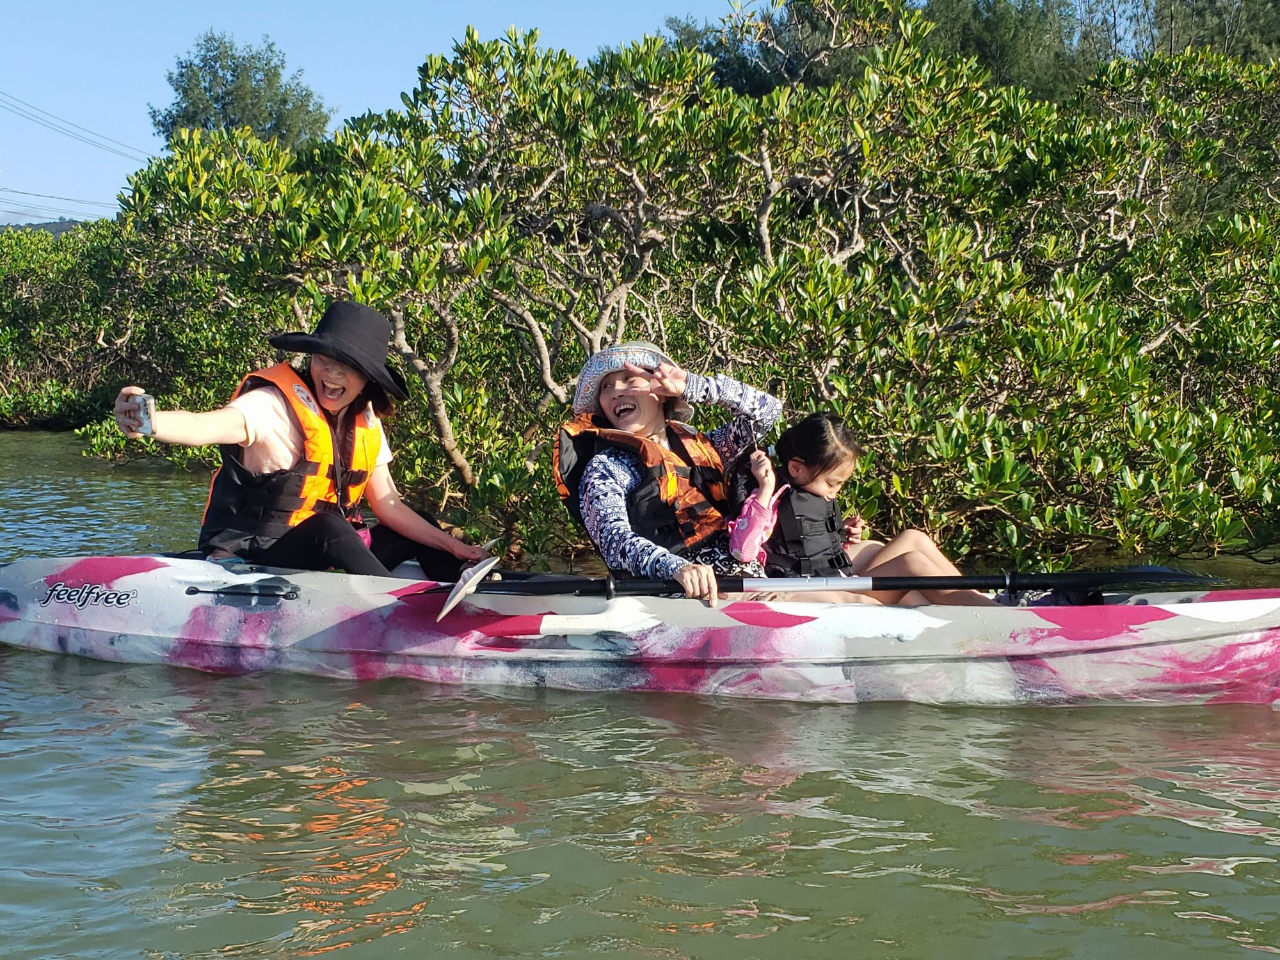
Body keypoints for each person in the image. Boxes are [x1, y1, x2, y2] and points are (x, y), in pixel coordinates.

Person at [112, 300, 486, 579]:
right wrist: (148, 421)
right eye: (324, 359)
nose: (332, 372)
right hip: (257, 558)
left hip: (322, 558)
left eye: (348, 366)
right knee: (329, 527)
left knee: (417, 524)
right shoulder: (270, 405)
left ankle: (464, 594)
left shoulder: (365, 420)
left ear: (367, 379)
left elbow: (389, 507)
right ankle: (399, 609)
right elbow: (201, 427)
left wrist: (452, 545)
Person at [553, 341, 782, 605]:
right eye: (606, 387)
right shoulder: (607, 467)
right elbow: (614, 542)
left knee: (833, 596)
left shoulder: (706, 446)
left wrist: (692, 386)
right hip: (681, 597)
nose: (615, 392)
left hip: (748, 583)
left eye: (629, 379)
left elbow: (768, 411)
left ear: (660, 391)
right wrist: (675, 567)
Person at [728, 412, 996, 605]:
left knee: (913, 538)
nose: (835, 492)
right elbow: (743, 550)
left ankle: (977, 598)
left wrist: (840, 534)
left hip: (835, 574)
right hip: (814, 586)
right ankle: (987, 612)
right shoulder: (771, 495)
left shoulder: (808, 487)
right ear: (796, 468)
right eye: (832, 484)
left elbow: (806, 541)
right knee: (910, 565)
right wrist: (764, 490)